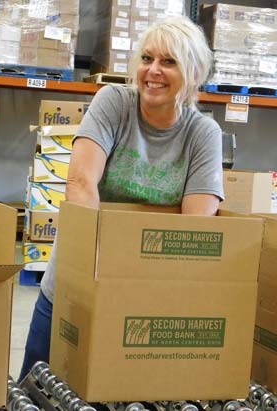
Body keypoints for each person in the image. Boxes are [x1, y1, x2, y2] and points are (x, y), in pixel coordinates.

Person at [18, 15, 224, 381]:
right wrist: (95, 268)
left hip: (148, 297)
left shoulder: (203, 134)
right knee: (38, 389)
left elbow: (196, 228)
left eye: (169, 62)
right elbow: (81, 182)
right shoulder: (114, 103)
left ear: (193, 74)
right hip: (76, 280)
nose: (153, 71)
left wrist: (137, 284)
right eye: (147, 59)